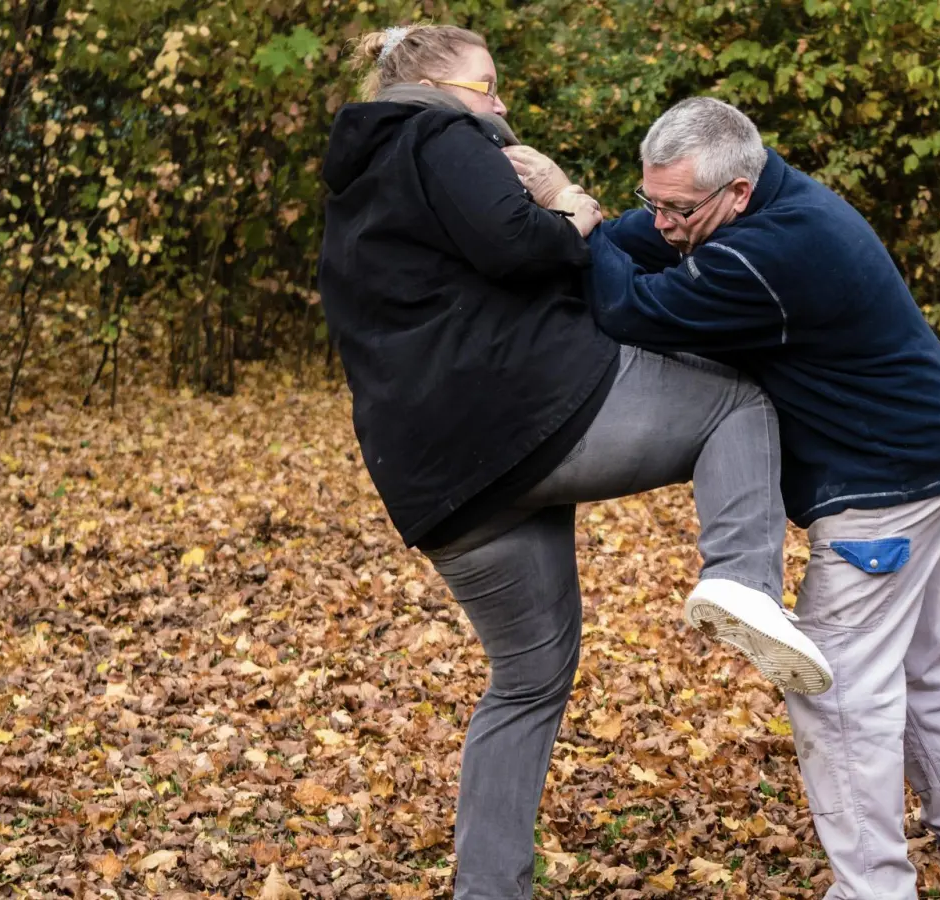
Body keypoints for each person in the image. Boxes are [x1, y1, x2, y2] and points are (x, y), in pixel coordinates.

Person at [315, 28, 833, 899]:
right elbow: (521, 243)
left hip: (440, 481)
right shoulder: (441, 135)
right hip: (528, 413)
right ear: (438, 86)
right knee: (736, 402)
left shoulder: (356, 186)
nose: (500, 103)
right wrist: (579, 214)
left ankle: (488, 889)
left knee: (526, 679)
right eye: (487, 86)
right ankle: (743, 576)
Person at [507, 97, 940, 899]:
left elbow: (632, 309)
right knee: (916, 659)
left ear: (737, 192)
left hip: (887, 482)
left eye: (678, 209)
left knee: (835, 680)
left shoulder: (774, 255)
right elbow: (629, 244)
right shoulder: (751, 204)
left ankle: (873, 887)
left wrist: (574, 215)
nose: (661, 223)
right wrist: (585, 219)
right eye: (651, 201)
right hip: (928, 452)